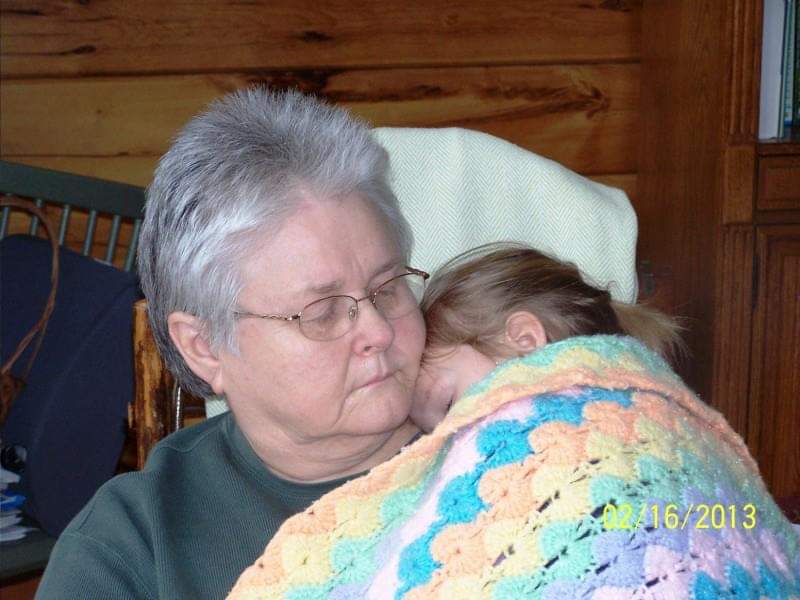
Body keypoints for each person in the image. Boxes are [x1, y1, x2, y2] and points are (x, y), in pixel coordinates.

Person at [229, 243, 799, 599]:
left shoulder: (616, 423)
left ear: (526, 340)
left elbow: (721, 516)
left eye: (451, 405)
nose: (451, 437)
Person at [37, 88, 429, 599]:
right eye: (322, 312)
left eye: (389, 287)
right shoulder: (132, 549)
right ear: (204, 346)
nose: (379, 332)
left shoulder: (510, 447)